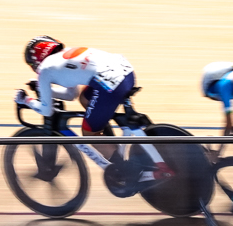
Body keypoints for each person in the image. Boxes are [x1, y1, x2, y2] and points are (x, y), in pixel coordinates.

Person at [17, 37, 168, 190]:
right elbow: (71, 95)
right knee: (85, 98)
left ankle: (125, 170)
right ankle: (108, 141)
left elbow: (46, 110)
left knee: (89, 133)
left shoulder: (45, 70)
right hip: (126, 73)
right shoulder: (65, 55)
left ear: (36, 59)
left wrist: (26, 100)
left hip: (109, 85)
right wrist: (44, 90)